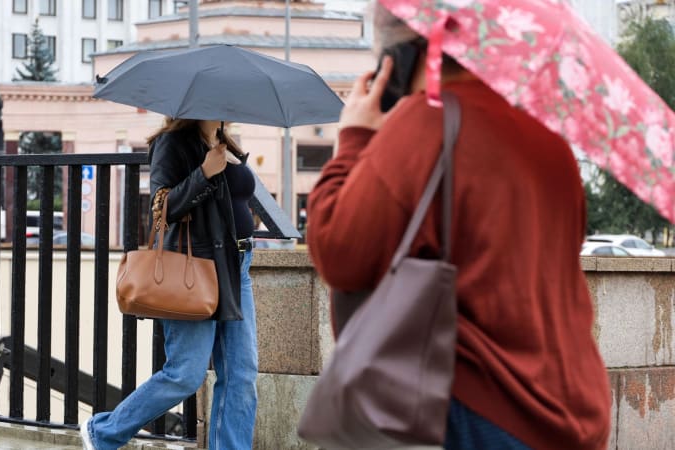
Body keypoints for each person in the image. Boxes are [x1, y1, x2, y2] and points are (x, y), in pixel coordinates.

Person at [306, 3, 611, 449]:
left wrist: (354, 138)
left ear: (405, 54)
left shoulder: (426, 122)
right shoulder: (550, 141)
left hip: (486, 411)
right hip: (575, 411)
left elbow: (338, 251)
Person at [81, 118, 258, 450]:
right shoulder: (172, 143)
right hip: (197, 268)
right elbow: (163, 210)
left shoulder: (224, 142)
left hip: (237, 266)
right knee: (185, 374)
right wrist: (205, 172)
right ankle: (103, 431)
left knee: (242, 374)